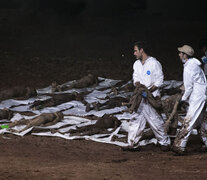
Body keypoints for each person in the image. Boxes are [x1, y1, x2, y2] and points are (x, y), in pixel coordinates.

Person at [122, 41, 171, 151]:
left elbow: (159, 80)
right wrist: (140, 88)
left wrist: (148, 92)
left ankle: (164, 143)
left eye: (135, 50)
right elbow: (136, 78)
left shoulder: (154, 63)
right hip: (139, 98)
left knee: (155, 120)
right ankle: (132, 143)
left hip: (151, 97)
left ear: (141, 50)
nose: (134, 53)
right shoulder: (137, 64)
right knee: (135, 119)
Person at [172, 45, 207, 155]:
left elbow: (188, 87)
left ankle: (179, 145)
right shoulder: (194, 64)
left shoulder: (188, 67)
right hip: (202, 94)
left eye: (180, 53)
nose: (179, 54)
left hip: (197, 96)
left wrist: (182, 100)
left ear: (185, 55)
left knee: (189, 120)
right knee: (202, 121)